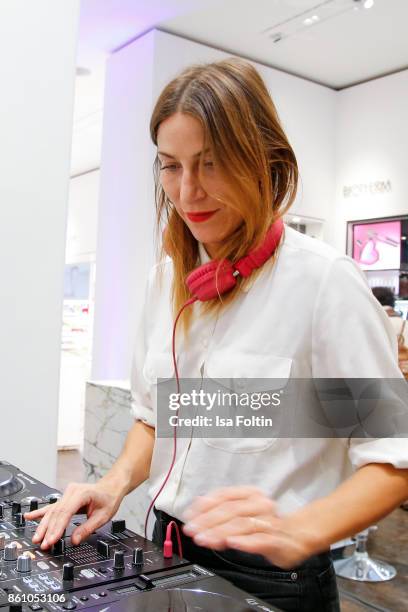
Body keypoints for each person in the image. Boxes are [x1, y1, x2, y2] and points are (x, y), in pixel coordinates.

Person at [25, 58, 408, 612]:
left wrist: (301, 531)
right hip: (166, 550)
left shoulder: (324, 282)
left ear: (263, 159)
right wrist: (113, 484)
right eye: (171, 166)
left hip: (273, 580)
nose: (188, 192)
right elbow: (158, 416)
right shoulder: (167, 280)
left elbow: (394, 458)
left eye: (210, 164)